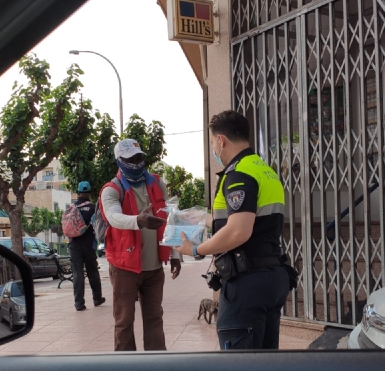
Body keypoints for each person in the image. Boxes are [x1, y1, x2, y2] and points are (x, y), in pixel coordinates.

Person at [174, 110, 289, 350]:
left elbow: (239, 232)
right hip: (270, 276)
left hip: (247, 283)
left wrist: (196, 249)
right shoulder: (264, 170)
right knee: (266, 365)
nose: (214, 150)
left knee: (240, 369)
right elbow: (247, 220)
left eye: (213, 142)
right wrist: (201, 217)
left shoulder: (238, 175)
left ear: (221, 139)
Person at [101, 138, 181, 351]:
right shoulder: (111, 190)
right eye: (131, 159)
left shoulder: (156, 183)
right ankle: (126, 370)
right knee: (124, 321)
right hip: (124, 267)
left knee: (155, 318)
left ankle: (156, 367)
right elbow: (113, 217)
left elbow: (169, 219)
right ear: (119, 161)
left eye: (139, 158)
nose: (136, 163)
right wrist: (138, 220)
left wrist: (174, 255)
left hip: (154, 268)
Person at [68, 181, 105, 311]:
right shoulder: (92, 207)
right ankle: (97, 298)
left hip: (74, 245)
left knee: (77, 274)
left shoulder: (72, 208)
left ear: (78, 192)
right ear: (89, 193)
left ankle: (79, 303)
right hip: (88, 245)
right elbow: (97, 226)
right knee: (92, 272)